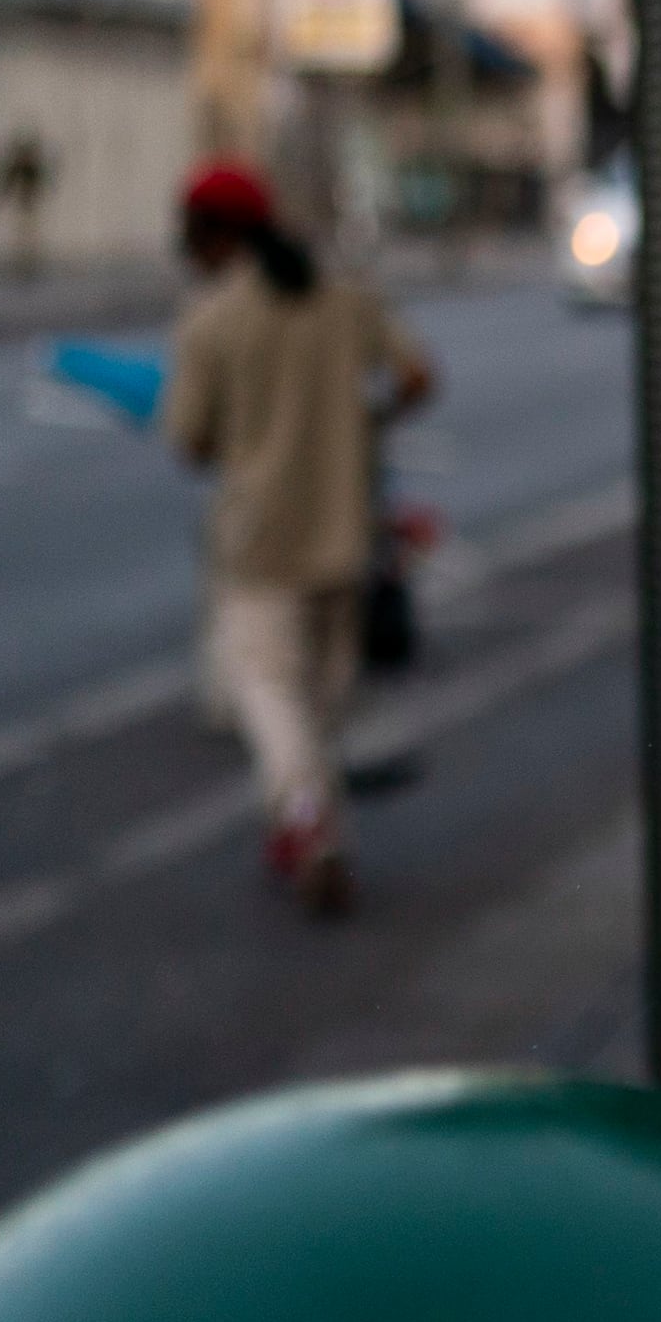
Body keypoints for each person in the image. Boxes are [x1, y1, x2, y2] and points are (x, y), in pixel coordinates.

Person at [163, 158, 432, 918]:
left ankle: (305, 821)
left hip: (258, 541)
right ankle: (310, 824)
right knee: (322, 698)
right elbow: (417, 375)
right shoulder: (343, 297)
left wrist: (247, 441)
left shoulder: (211, 319)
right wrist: (364, 427)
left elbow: (189, 441)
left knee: (267, 688)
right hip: (345, 530)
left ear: (213, 238)